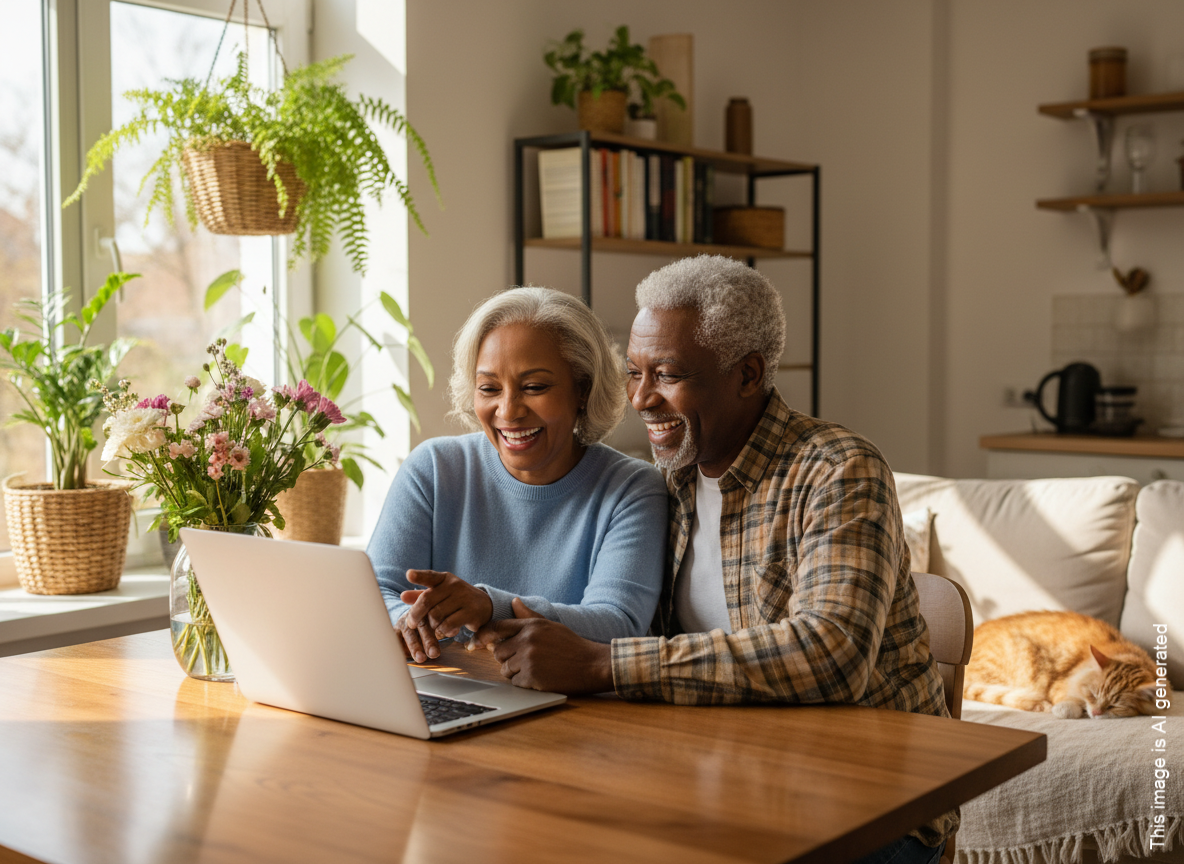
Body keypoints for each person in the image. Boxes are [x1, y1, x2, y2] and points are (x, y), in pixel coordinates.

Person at [473, 256, 956, 863]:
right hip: (730, 783)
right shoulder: (667, 482)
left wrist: (604, 664)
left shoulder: (837, 468)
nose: (642, 399)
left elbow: (832, 654)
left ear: (747, 374)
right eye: (634, 373)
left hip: (872, 807)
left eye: (668, 374)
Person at [367, 286, 667, 665]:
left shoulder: (632, 490)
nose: (508, 411)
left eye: (534, 387)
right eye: (489, 388)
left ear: (583, 389)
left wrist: (491, 606)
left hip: (569, 709)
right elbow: (376, 590)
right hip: (448, 690)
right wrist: (409, 624)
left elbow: (618, 625)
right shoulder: (433, 469)